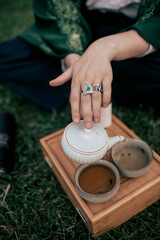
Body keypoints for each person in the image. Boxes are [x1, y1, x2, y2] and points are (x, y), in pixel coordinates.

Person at [0, 0, 160, 129]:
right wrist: (77, 64)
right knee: (7, 56)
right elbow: (55, 9)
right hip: (81, 24)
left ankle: (102, 85)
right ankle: (102, 85)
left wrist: (107, 47)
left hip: (136, 35)